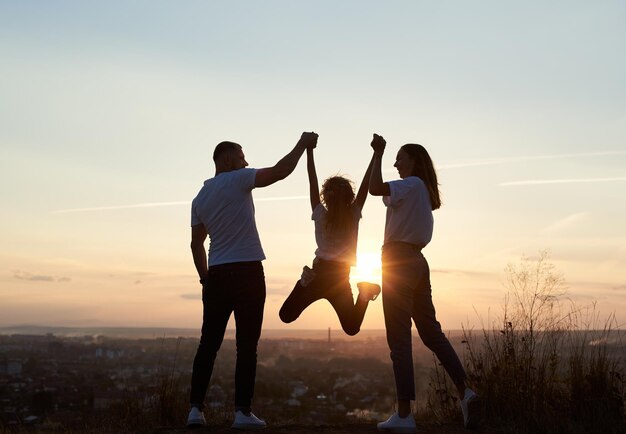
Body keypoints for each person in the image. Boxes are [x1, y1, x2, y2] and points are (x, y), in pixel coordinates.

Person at [186, 132, 318, 430]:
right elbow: (282, 171)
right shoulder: (239, 179)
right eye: (242, 155)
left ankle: (195, 410)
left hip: (217, 274)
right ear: (227, 158)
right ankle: (242, 413)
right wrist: (301, 144)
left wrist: (205, 279)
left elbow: (196, 244)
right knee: (246, 346)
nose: (246, 161)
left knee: (208, 344)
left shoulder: (200, 197)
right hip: (247, 273)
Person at [368, 134, 480, 433]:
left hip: (398, 261)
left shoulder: (412, 184)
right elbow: (382, 194)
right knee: (431, 332)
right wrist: (378, 158)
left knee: (399, 340)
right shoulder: (418, 191)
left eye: (400, 158)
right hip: (417, 262)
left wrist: (378, 153)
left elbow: (374, 188)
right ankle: (466, 392)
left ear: (414, 161)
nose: (395, 163)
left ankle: (404, 415)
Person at [279, 143, 381, 335]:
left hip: (318, 275)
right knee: (351, 328)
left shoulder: (320, 214)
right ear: (349, 197)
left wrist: (309, 151)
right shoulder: (353, 214)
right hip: (340, 278)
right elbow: (366, 186)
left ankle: (303, 283)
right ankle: (365, 294)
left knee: (286, 315)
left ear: (325, 196)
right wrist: (376, 154)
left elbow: (312, 180)